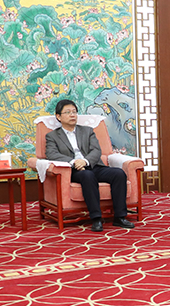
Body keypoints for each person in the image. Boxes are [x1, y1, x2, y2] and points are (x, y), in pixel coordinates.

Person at [46, 99, 134, 232]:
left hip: (93, 165)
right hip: (74, 170)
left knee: (118, 174)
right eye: (68, 112)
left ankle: (120, 217)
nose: (72, 115)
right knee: (87, 175)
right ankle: (96, 218)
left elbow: (96, 150)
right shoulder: (52, 136)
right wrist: (74, 162)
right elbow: (51, 154)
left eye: (74, 112)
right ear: (58, 116)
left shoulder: (87, 131)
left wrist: (85, 161)